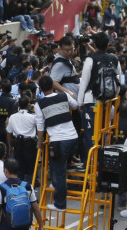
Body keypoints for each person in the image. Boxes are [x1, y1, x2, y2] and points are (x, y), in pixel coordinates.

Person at [35, 76, 79, 212]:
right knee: (57, 167)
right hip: (73, 139)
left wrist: (39, 143)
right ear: (53, 86)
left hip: (58, 142)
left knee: (59, 173)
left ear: (40, 89)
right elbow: (76, 106)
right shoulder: (64, 96)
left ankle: (60, 204)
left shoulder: (39, 104)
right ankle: (56, 184)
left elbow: (40, 127)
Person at [78, 31, 122, 154]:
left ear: (95, 45)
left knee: (90, 134)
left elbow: (84, 83)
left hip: (91, 101)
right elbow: (119, 80)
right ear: (108, 45)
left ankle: (89, 162)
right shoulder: (115, 59)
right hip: (108, 102)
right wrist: (113, 95)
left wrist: (79, 102)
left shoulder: (90, 59)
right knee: (103, 132)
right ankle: (100, 161)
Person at [6, 95, 38, 182]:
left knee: (19, 169)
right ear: (28, 105)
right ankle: (29, 188)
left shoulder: (12, 117)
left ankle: (19, 189)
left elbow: (9, 133)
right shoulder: (33, 116)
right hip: (30, 145)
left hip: (17, 145)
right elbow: (40, 127)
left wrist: (10, 146)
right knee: (31, 169)